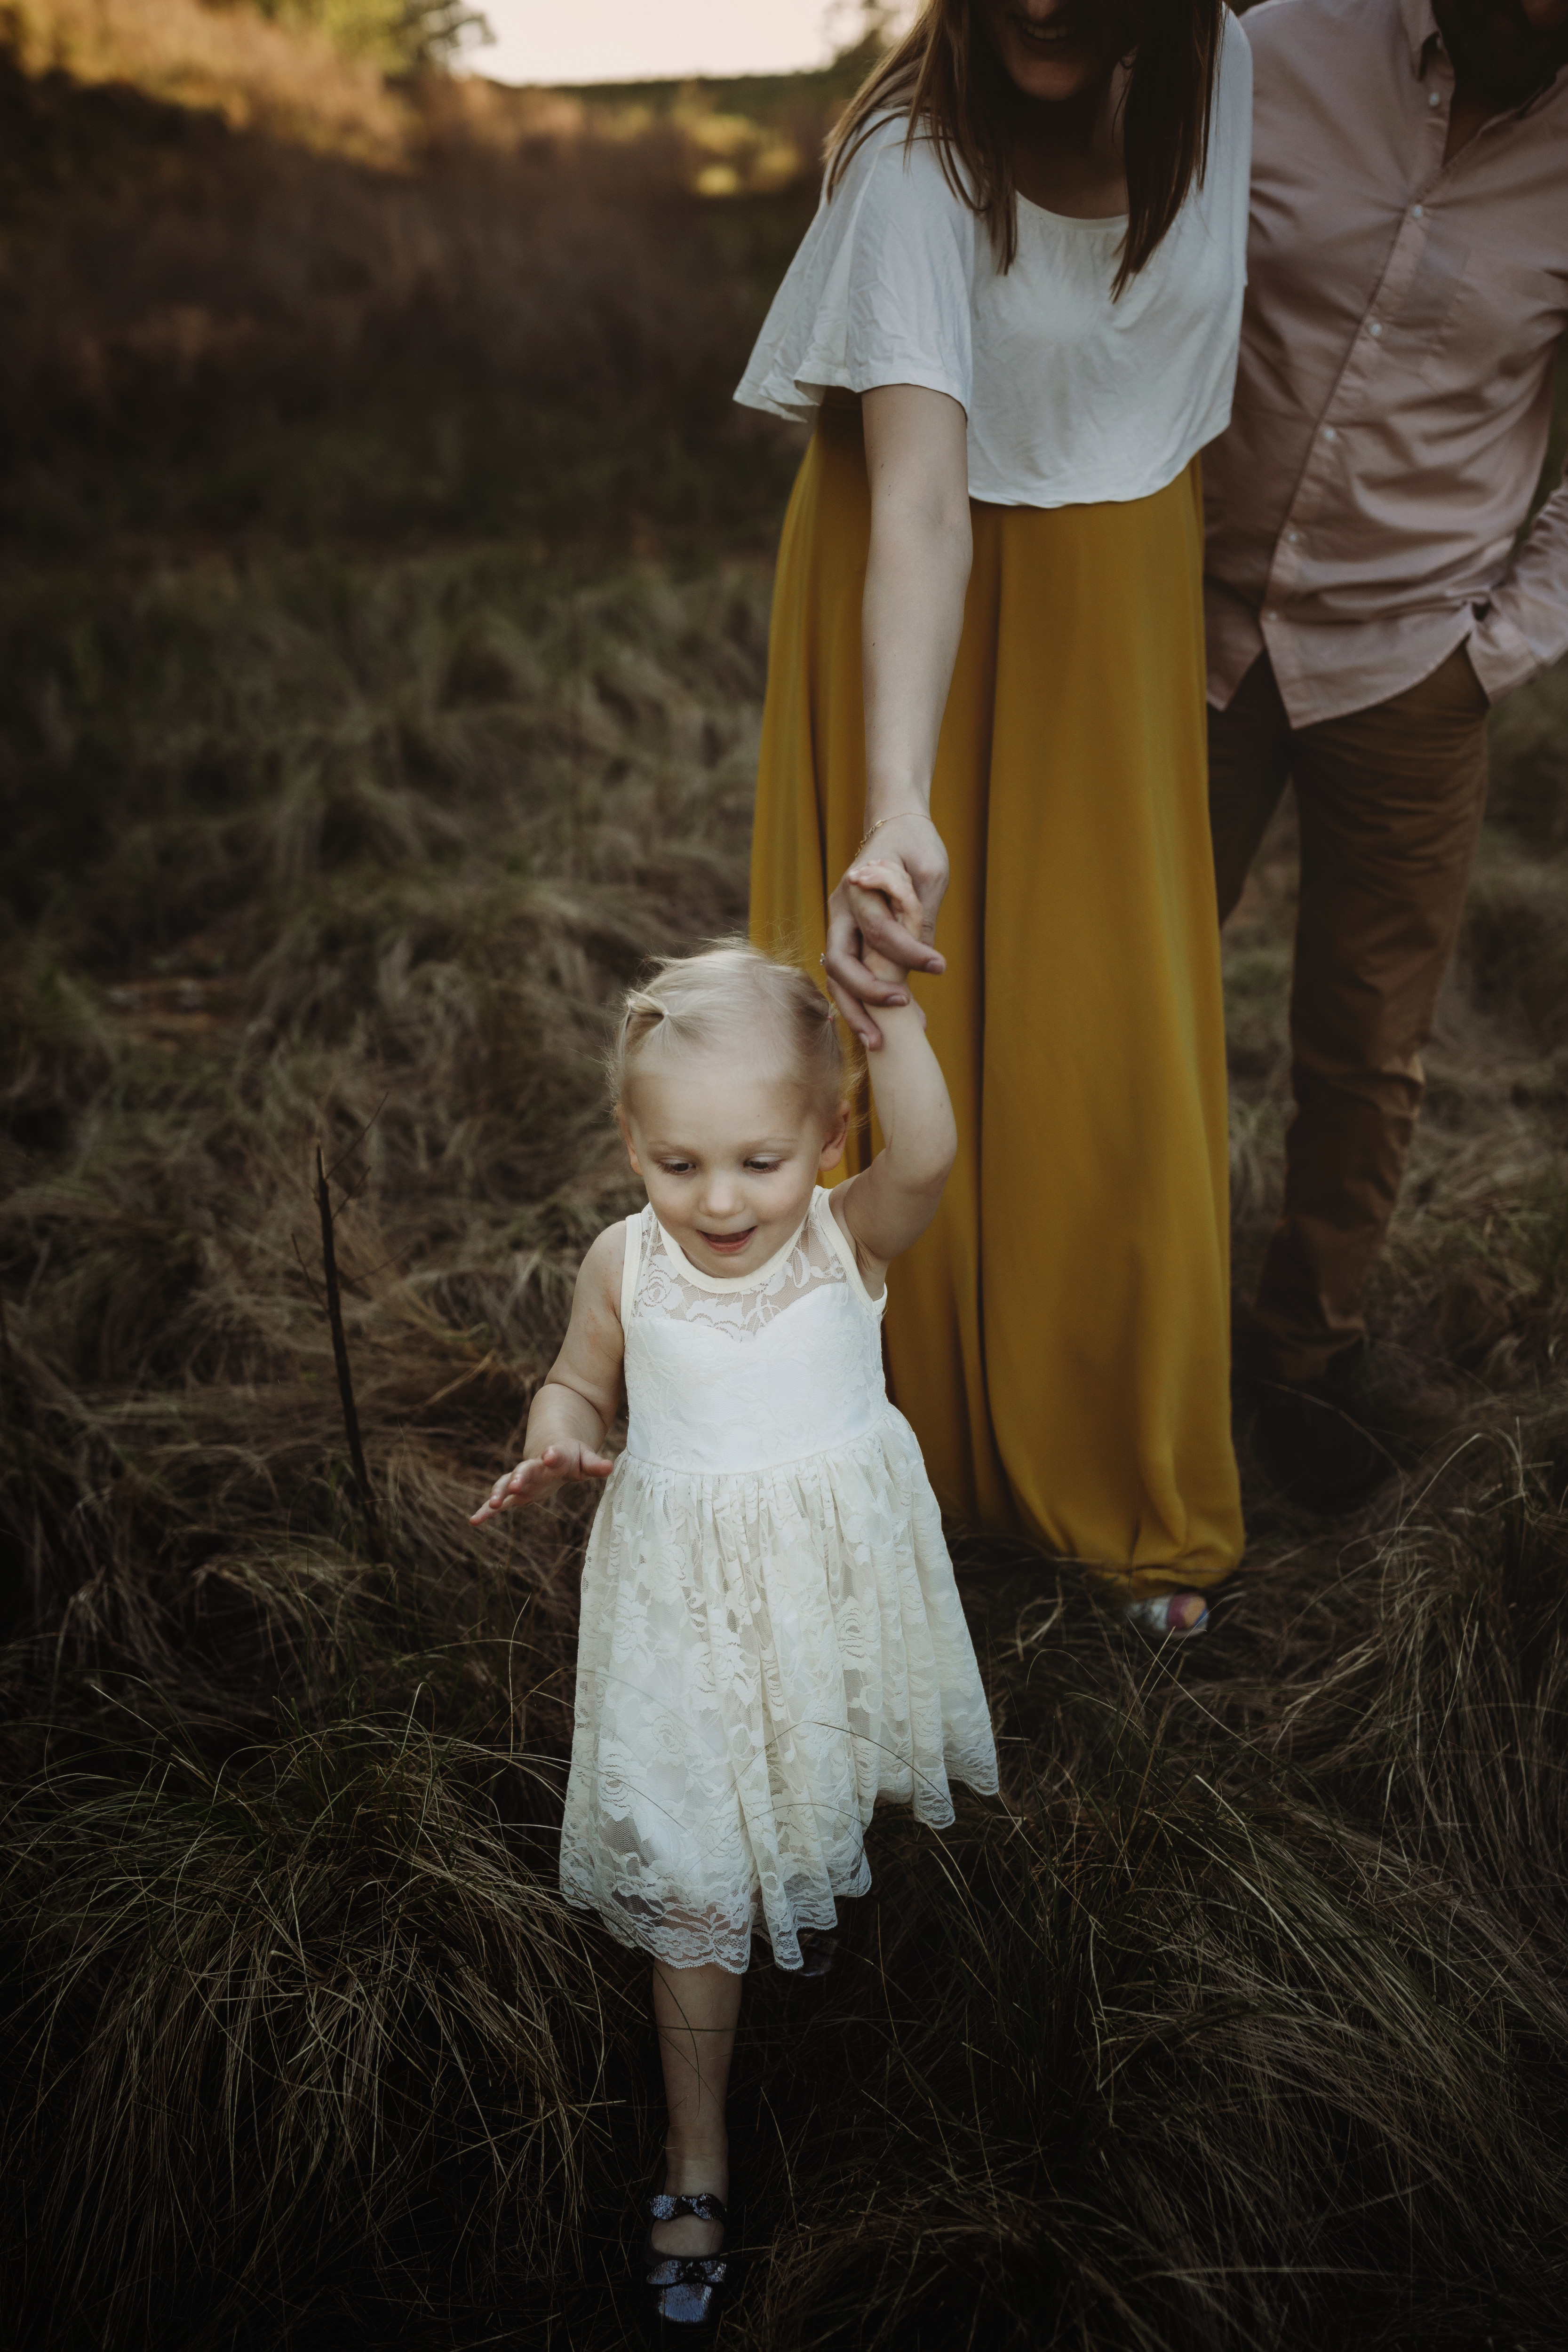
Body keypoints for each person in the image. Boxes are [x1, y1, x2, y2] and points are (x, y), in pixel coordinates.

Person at [738, 0, 1254, 1637]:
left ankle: (1119, 1470)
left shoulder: (1228, 71)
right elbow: (917, 502)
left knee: (1107, 1029)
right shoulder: (911, 160)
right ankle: (872, 1460)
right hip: (915, 597)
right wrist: (893, 797)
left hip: (1113, 605)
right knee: (893, 1021)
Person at [469, 939, 997, 2333]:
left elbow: (932, 1157)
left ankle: (824, 1861)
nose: (719, 1201)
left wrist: (890, 1027)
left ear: (828, 1137)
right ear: (631, 1143)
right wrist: (562, 1441)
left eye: (760, 1161)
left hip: (830, 1598)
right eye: (677, 1162)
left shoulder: (842, 1233)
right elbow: (574, 1384)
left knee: (821, 1772)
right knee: (699, 1874)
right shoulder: (623, 1266)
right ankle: (698, 2146)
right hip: (685, 1616)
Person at [1204, 0, 1568, 1509]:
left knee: (1364, 1048)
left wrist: (1500, 644)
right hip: (1185, 638)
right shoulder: (1273, 49)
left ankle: (1302, 1363)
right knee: (1109, 981)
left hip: (1414, 662)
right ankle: (1085, 1317)